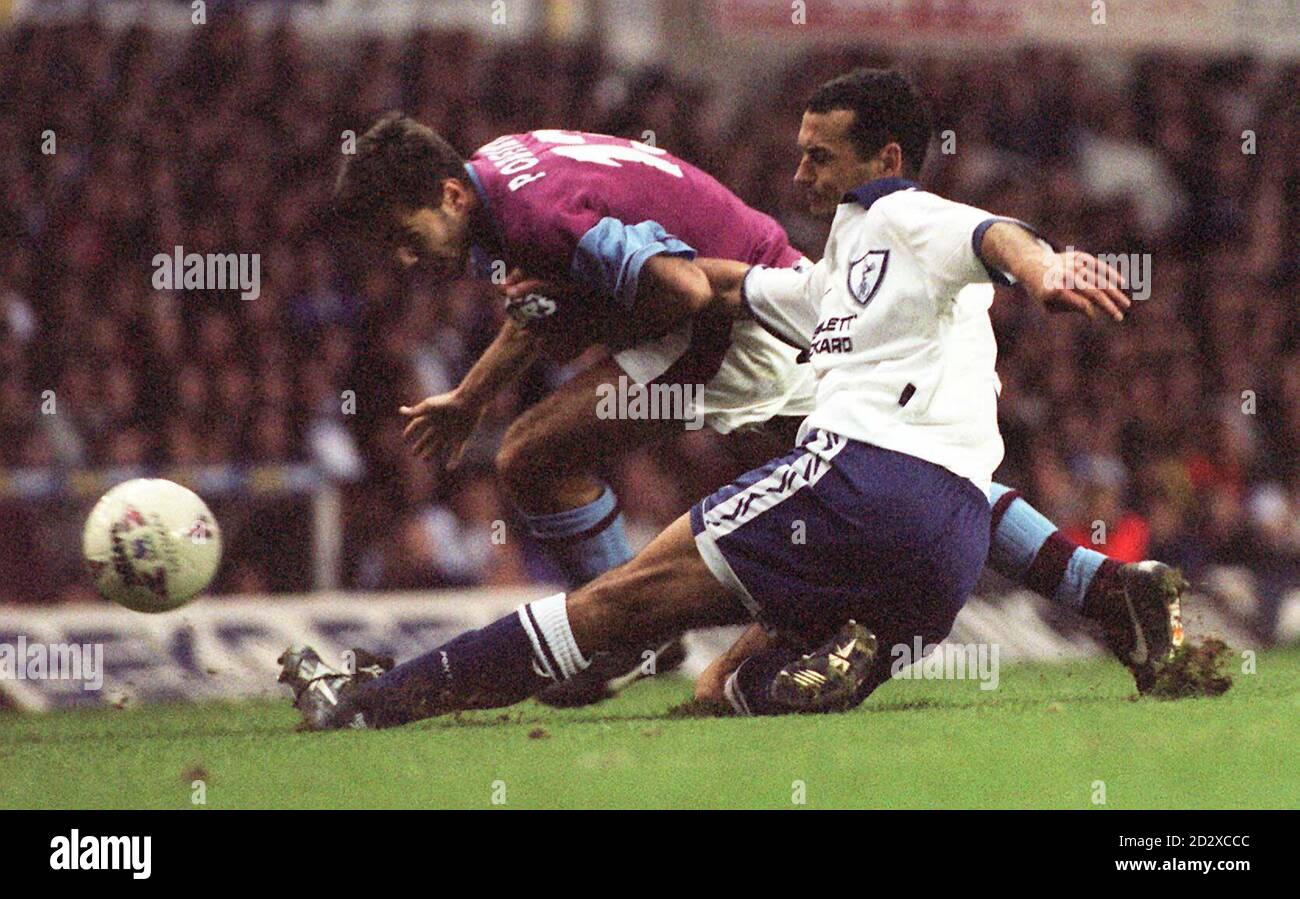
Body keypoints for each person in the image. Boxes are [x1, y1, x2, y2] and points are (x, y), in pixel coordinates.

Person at [280, 69, 1179, 729]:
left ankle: (420, 693)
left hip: (768, 379)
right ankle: (1082, 592)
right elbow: (655, 289)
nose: (798, 176)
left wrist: (1046, 265)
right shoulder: (841, 270)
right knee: (731, 682)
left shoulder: (905, 215)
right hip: (916, 503)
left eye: (818, 158)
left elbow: (984, 234)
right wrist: (476, 392)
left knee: (559, 497)